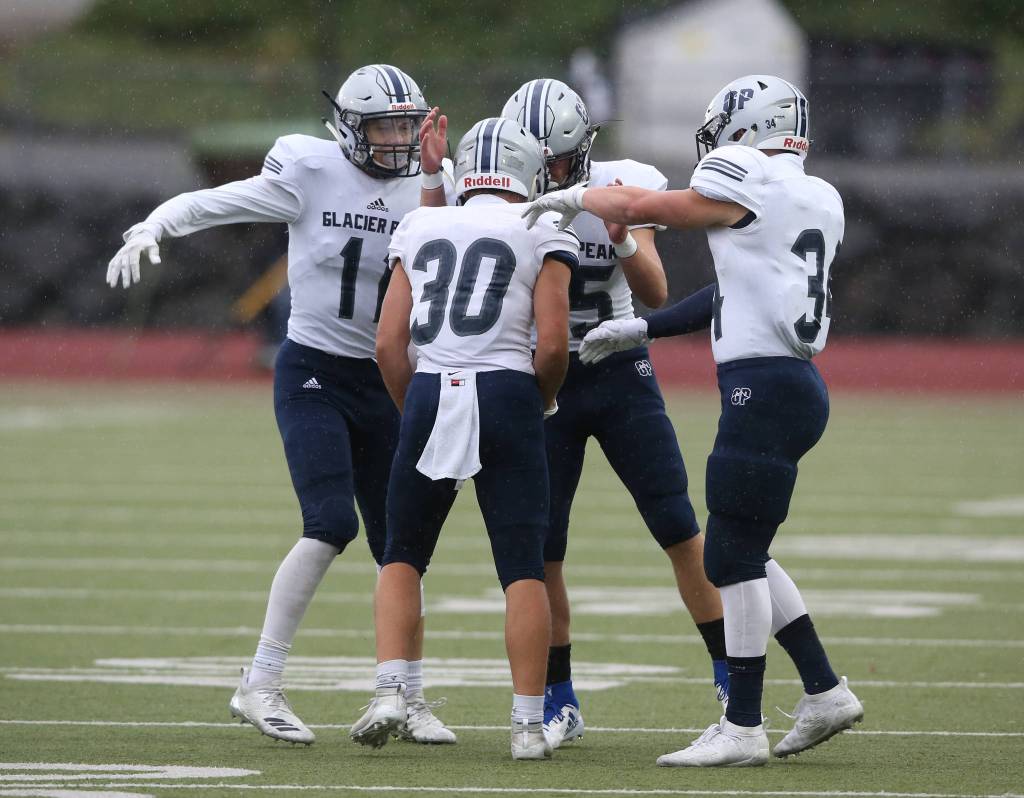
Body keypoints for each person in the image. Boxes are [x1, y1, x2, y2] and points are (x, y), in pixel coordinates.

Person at [106, 64, 457, 746]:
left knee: (403, 546)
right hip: (315, 371)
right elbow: (220, 202)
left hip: (389, 376)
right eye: (383, 127)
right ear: (348, 129)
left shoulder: (432, 182)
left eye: (404, 126)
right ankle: (260, 682)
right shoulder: (309, 169)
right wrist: (155, 224)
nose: (396, 139)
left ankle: (406, 695)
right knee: (330, 522)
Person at [522, 74, 864, 767]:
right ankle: (825, 690)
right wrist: (642, 329)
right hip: (796, 386)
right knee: (746, 550)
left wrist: (574, 198)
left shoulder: (745, 174)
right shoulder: (816, 194)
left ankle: (742, 725)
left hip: (761, 388)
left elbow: (647, 206)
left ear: (749, 128)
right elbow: (735, 287)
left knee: (729, 557)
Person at [501, 78, 728, 749]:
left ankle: (732, 679)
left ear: (583, 151)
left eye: (558, 162)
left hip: (620, 370)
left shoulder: (622, 183)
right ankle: (559, 698)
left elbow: (656, 292)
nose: (547, 174)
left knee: (677, 525)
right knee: (544, 547)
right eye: (536, 161)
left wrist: (624, 240)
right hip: (544, 375)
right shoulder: (497, 191)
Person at [349, 117, 578, 760]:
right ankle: (527, 726)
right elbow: (553, 345)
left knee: (402, 553)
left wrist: (413, 407)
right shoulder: (542, 227)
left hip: (433, 386)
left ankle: (391, 690)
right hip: (506, 389)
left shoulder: (420, 225)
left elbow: (387, 344)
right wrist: (541, 399)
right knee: (522, 567)